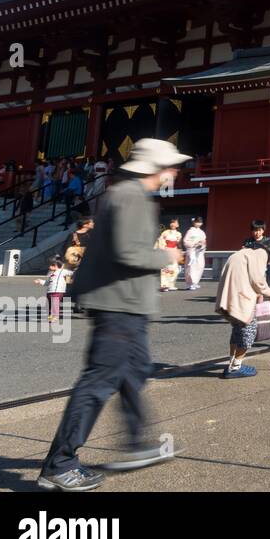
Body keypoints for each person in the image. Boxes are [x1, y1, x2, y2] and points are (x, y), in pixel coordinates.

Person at [37, 137, 189, 492]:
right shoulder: (132, 198)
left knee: (132, 374)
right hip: (119, 305)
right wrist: (169, 257)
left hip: (124, 306)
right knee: (97, 384)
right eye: (170, 166)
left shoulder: (120, 194)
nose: (174, 172)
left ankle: (137, 443)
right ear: (155, 167)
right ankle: (59, 464)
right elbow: (129, 254)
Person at [215, 237, 270, 379]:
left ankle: (232, 363)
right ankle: (236, 366)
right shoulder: (261, 255)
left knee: (237, 331)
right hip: (241, 300)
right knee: (248, 332)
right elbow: (257, 280)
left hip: (228, 299)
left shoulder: (245, 253)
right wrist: (269, 292)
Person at [35, 259, 73, 323]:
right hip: (50, 292)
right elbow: (47, 283)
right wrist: (40, 281)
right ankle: (51, 317)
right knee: (51, 305)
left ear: (55, 266)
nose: (49, 267)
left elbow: (71, 273)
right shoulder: (51, 274)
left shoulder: (62, 271)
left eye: (50, 265)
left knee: (55, 304)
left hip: (57, 291)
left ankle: (55, 317)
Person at [156, 220, 182, 292]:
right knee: (165, 268)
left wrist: (179, 251)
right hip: (166, 250)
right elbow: (161, 241)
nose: (173, 224)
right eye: (172, 222)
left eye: (175, 223)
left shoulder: (179, 234)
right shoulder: (165, 232)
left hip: (174, 251)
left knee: (174, 269)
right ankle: (164, 285)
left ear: (177, 225)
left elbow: (178, 244)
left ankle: (171, 284)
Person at [182, 217, 207, 290]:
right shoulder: (190, 231)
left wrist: (202, 245)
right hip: (192, 250)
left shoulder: (202, 232)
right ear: (194, 223)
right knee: (191, 267)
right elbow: (185, 241)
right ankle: (190, 283)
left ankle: (195, 282)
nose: (198, 223)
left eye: (200, 222)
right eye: (197, 222)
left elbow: (204, 241)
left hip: (199, 252)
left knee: (200, 266)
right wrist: (194, 244)